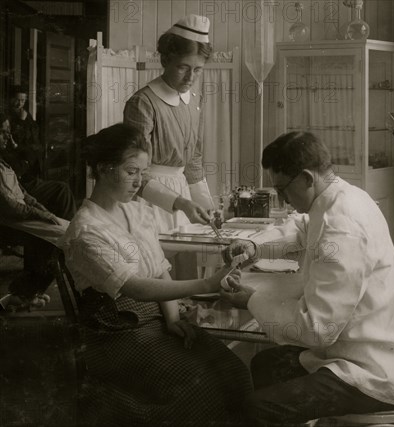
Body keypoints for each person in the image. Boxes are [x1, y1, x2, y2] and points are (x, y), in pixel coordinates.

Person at [221, 131, 394, 426]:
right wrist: (256, 246)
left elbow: (318, 329)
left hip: (374, 372)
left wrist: (253, 299)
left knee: (254, 408)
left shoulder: (342, 229)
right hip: (363, 347)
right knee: (264, 364)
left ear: (306, 178)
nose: (283, 200)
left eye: (283, 190)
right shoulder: (344, 197)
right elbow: (303, 229)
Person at [58, 122, 252, 426]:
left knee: (234, 372)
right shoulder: (86, 231)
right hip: (115, 332)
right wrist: (207, 283)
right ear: (106, 169)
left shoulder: (135, 211)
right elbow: (134, 287)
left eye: (142, 173)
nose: (139, 182)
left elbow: (159, 270)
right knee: (198, 384)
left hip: (157, 319)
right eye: (131, 171)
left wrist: (173, 318)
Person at [124, 14, 215, 233]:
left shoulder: (194, 100)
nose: (190, 78)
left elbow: (193, 160)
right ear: (165, 60)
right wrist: (179, 202)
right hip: (149, 198)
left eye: (198, 70)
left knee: (185, 260)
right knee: (157, 261)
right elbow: (134, 170)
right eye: (183, 67)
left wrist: (206, 205)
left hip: (183, 196)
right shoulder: (143, 103)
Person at [0, 111, 69, 300]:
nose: (8, 137)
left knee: (66, 230)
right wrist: (42, 215)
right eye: (3, 132)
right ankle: (27, 291)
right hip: (9, 223)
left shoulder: (3, 162)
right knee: (63, 239)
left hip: (21, 217)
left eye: (9, 132)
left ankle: (29, 291)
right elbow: (11, 208)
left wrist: (43, 210)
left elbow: (24, 194)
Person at [5, 86, 76, 220]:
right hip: (18, 179)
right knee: (61, 190)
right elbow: (15, 150)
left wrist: (25, 122)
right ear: (9, 99)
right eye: (16, 100)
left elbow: (35, 144)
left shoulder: (27, 118)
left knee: (59, 193)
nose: (19, 104)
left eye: (22, 100)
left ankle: (65, 227)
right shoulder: (6, 120)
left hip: (29, 173)